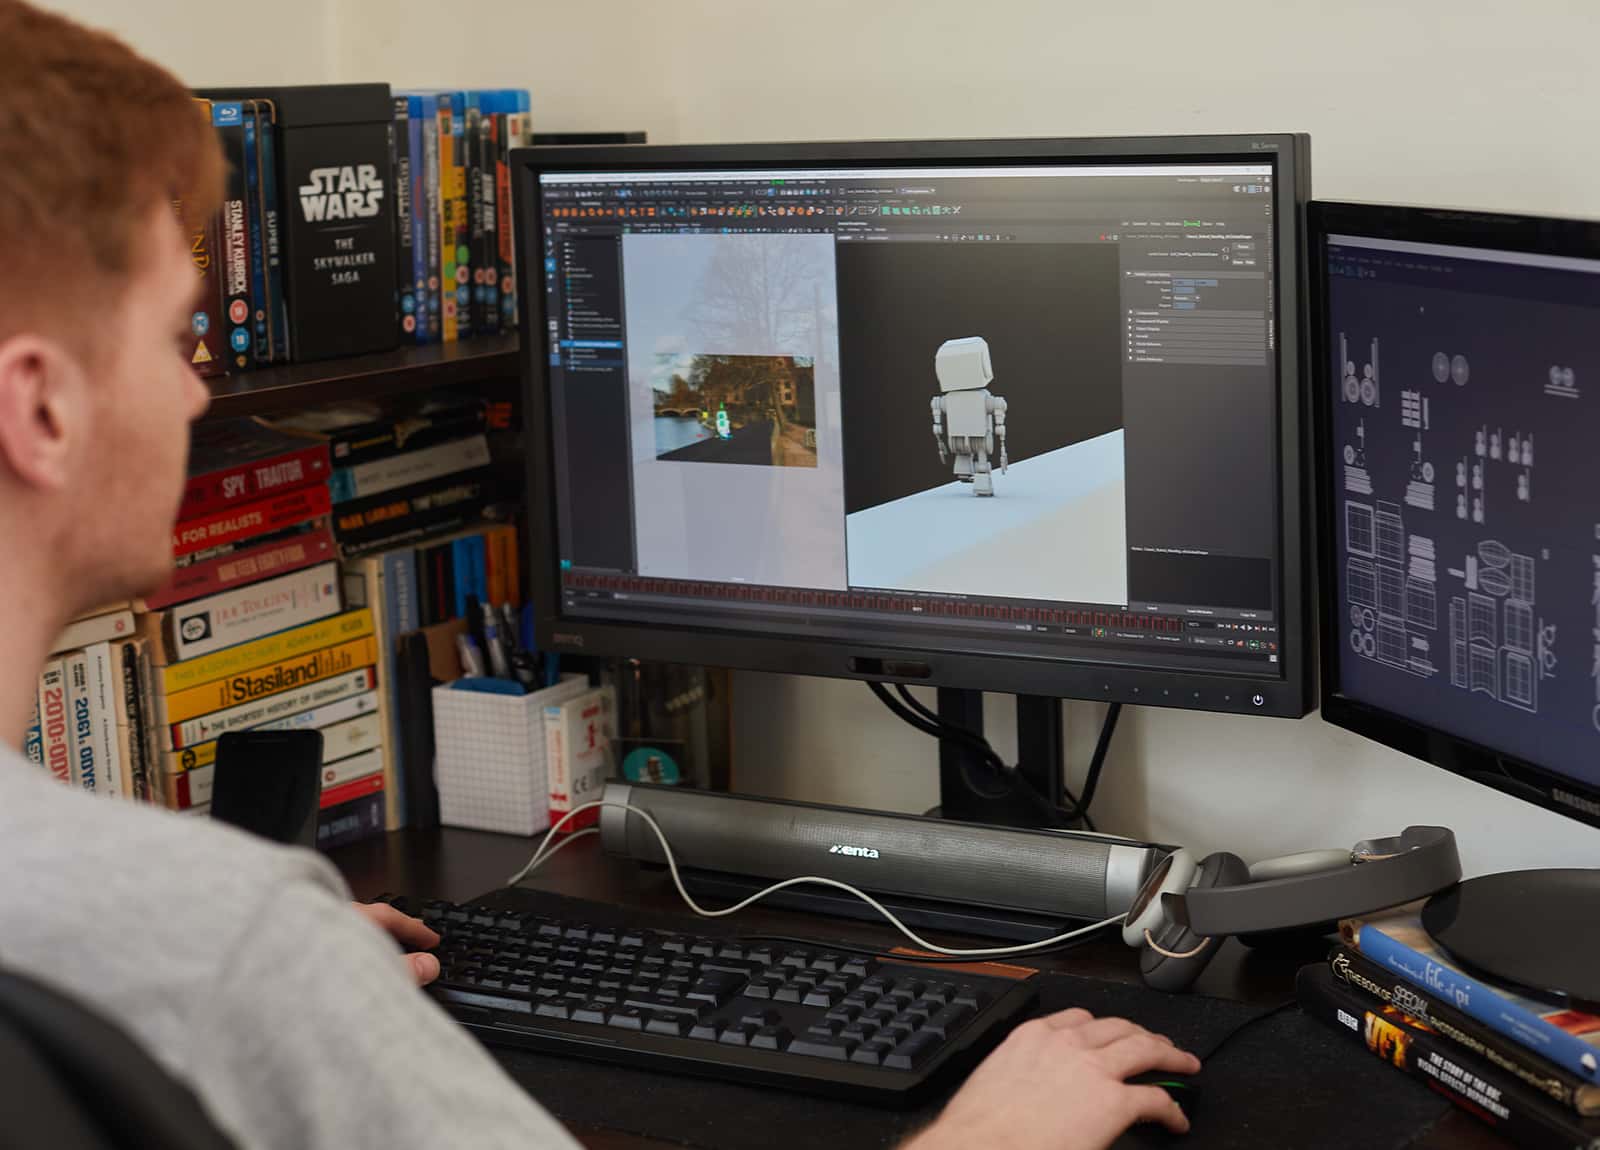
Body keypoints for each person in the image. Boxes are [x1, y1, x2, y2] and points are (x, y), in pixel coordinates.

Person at [0, 2, 1199, 1146]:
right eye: (174, 337)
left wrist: (289, 992)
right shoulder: (224, 943)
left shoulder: (183, 949)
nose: (198, 389)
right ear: (41, 404)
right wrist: (991, 1134)